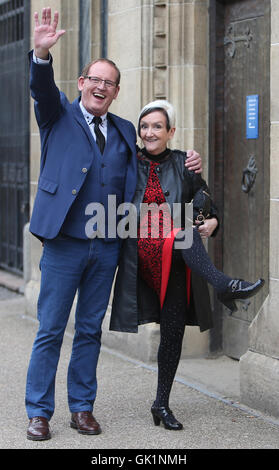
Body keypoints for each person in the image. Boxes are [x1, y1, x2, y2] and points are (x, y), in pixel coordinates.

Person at [25, 8, 202, 441]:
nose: (101, 87)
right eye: (94, 79)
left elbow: (156, 162)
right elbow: (41, 89)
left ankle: (82, 408)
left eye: (109, 82)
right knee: (50, 329)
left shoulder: (124, 130)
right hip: (65, 243)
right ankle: (39, 411)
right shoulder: (56, 116)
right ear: (81, 84)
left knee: (89, 330)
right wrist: (42, 54)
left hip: (106, 245)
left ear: (116, 91)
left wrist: (188, 162)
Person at [110, 99, 265, 431]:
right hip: (140, 256)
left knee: (173, 333)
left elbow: (207, 205)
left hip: (176, 260)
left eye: (157, 127)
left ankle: (161, 404)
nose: (149, 132)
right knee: (182, 232)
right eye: (145, 126)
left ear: (171, 132)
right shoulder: (127, 161)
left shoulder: (184, 163)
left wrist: (212, 223)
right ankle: (225, 286)